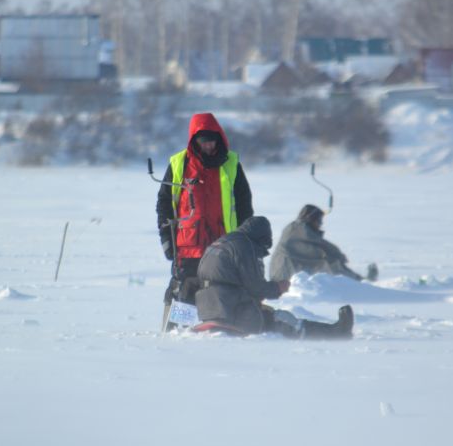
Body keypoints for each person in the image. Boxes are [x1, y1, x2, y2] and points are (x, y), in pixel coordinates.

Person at [194, 215, 354, 339]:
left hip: (211, 311)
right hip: (234, 313)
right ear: (261, 238)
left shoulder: (222, 242)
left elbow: (222, 280)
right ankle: (335, 334)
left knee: (268, 313)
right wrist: (278, 287)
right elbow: (256, 287)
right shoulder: (246, 245)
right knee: (283, 320)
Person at [156, 113, 253, 312]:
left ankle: (219, 328)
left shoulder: (232, 164)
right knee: (184, 294)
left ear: (219, 139)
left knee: (223, 293)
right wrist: (166, 238)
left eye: (212, 141)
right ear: (194, 141)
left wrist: (245, 241)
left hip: (224, 245)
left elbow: (244, 206)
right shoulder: (178, 164)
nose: (209, 146)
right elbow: (164, 204)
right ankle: (178, 328)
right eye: (204, 142)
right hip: (187, 247)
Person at [270, 204, 375, 283]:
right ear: (311, 219)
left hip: (289, 272)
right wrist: (336, 254)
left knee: (330, 262)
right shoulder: (297, 228)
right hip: (284, 275)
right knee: (330, 261)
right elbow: (321, 247)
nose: (320, 224)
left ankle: (359, 281)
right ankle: (360, 283)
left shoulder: (298, 228)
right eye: (319, 220)